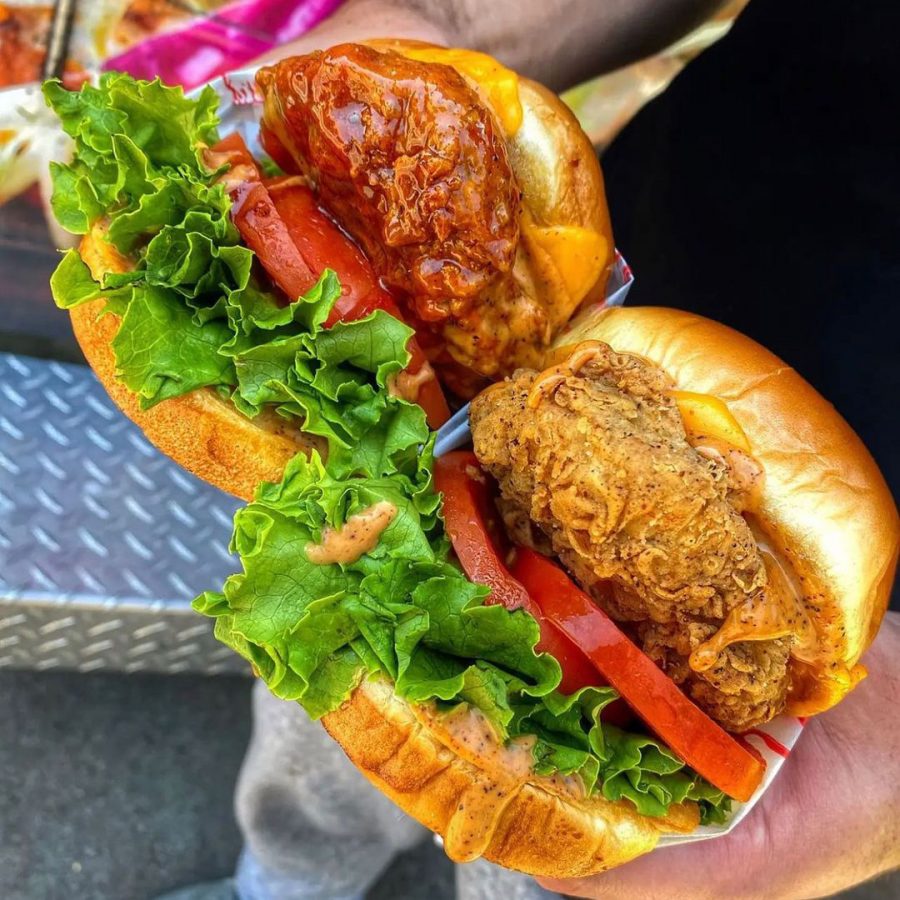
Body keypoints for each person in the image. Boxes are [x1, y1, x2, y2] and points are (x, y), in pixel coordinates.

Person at [161, 1, 900, 898]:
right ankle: (280, 881)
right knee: (315, 697)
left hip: (859, 664)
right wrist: (443, 18)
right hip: (557, 320)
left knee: (536, 873)